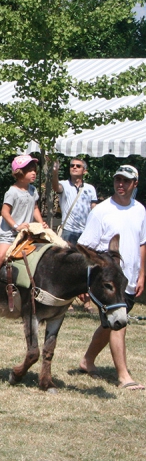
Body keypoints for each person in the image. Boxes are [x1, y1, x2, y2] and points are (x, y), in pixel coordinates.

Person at [78, 165, 146, 391]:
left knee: (109, 325)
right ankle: (124, 376)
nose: (121, 184)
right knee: (119, 323)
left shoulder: (140, 210)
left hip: (130, 279)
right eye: (118, 179)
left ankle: (87, 361)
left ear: (135, 184)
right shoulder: (101, 211)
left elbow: (141, 243)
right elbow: (86, 247)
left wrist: (142, 273)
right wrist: (84, 281)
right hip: (107, 282)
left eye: (126, 181)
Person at [0, 155, 47, 300]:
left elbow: (35, 207)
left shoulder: (32, 190)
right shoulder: (12, 192)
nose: (33, 173)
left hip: (26, 231)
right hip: (9, 233)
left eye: (34, 170)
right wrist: (16, 226)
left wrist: (41, 223)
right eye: (29, 170)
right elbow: (5, 212)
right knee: (0, 256)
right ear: (19, 172)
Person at [51, 157, 98, 245]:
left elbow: (94, 209)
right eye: (72, 165)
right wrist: (55, 172)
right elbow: (56, 187)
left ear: (84, 171)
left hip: (85, 231)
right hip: (68, 231)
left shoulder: (90, 188)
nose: (74, 167)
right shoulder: (64, 185)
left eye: (78, 166)